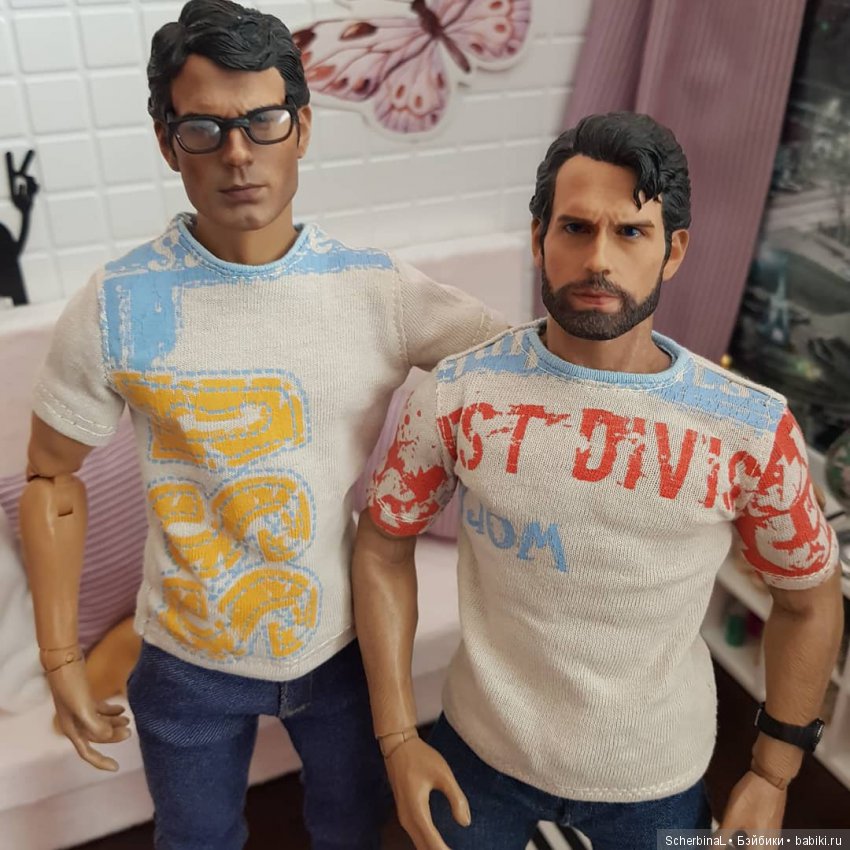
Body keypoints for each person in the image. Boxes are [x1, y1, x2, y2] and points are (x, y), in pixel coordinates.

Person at [17, 2, 503, 848]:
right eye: (203, 129)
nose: (237, 154)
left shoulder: (375, 292)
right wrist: (59, 655)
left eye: (262, 121)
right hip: (184, 658)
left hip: (342, 644)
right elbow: (52, 478)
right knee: (195, 838)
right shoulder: (120, 302)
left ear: (301, 128)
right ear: (168, 143)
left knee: (351, 828)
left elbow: (522, 365)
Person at [352, 112, 843, 849]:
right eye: (576, 229)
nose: (599, 259)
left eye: (631, 232)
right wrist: (396, 737)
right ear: (539, 238)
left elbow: (809, 601)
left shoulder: (749, 428)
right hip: (479, 749)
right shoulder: (458, 392)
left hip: (655, 778)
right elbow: (382, 544)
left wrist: (772, 774)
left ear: (674, 250)